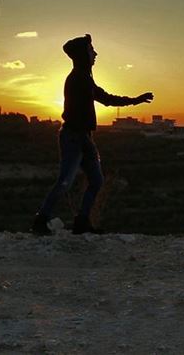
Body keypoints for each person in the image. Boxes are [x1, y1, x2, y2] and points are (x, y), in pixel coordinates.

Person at [31, 34, 153, 235]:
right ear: (83, 55)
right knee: (65, 181)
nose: (95, 54)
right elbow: (106, 99)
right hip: (74, 137)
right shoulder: (79, 79)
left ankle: (81, 222)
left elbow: (104, 98)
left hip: (83, 138)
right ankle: (42, 220)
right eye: (91, 50)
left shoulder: (83, 77)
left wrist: (135, 100)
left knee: (95, 180)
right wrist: (135, 100)